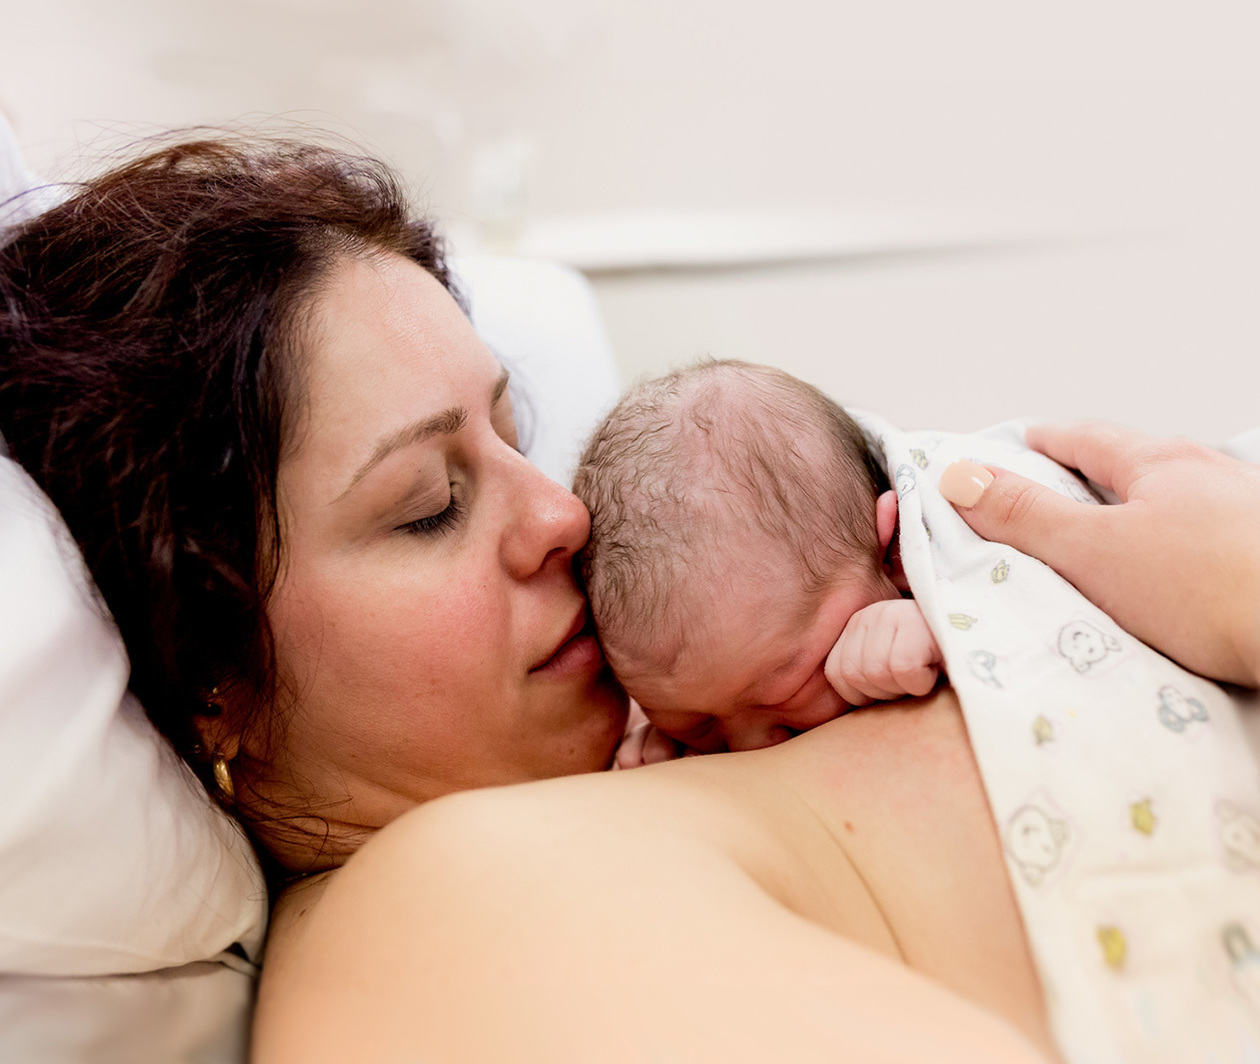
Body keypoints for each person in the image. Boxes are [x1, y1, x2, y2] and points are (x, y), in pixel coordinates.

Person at [2, 134, 1256, 1063]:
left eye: (517, 438)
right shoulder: (442, 922)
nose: (562, 518)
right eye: (430, 505)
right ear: (219, 678)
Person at [572, 359, 943, 766]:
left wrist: (943, 629)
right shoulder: (732, 668)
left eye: (787, 690)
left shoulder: (962, 535)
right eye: (698, 724)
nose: (748, 748)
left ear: (895, 551)